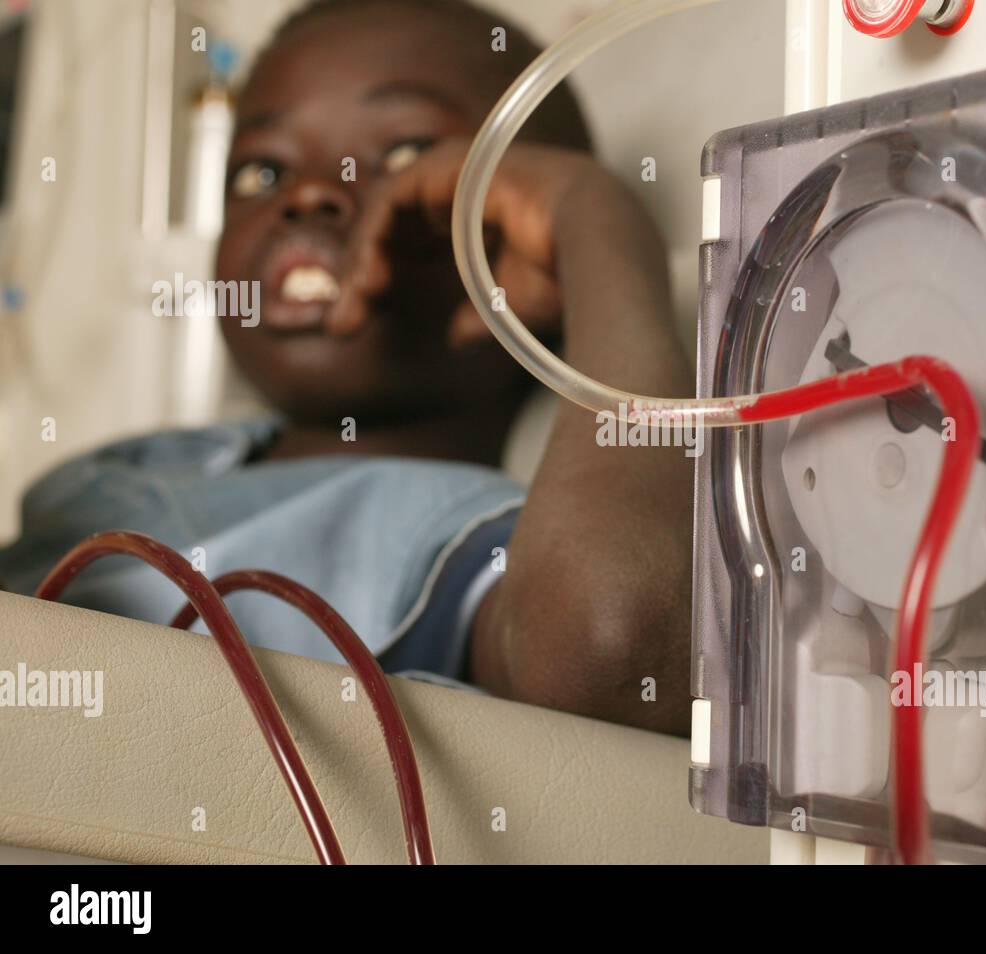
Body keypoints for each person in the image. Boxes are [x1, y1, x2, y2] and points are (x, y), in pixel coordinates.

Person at [0, 0, 695, 735]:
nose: (307, 193)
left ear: (525, 251)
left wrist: (599, 228)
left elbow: (616, 648)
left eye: (403, 156)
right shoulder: (148, 464)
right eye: (263, 171)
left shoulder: (461, 538)